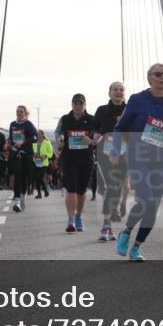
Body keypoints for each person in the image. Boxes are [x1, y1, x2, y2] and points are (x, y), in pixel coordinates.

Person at [111, 64, 163, 261]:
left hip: (161, 159)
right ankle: (127, 232)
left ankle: (136, 247)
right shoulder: (137, 100)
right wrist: (114, 149)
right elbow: (121, 127)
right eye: (158, 74)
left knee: (152, 206)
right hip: (138, 157)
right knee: (145, 200)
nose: (162, 77)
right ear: (149, 79)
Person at [56, 94, 98, 233]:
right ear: (72, 104)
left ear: (85, 104)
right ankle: (70, 220)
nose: (78, 106)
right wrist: (60, 140)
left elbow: (98, 137)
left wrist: (91, 141)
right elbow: (58, 133)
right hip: (69, 157)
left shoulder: (92, 119)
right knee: (71, 188)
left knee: (81, 190)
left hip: (86, 158)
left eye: (80, 103)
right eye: (75, 103)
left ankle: (78, 216)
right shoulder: (65, 119)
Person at [93, 81, 128, 241]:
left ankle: (113, 214)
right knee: (109, 186)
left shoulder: (130, 110)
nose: (118, 92)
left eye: (121, 90)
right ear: (109, 93)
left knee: (117, 187)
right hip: (104, 154)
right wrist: (94, 134)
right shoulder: (101, 110)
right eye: (115, 89)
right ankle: (106, 226)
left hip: (124, 154)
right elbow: (94, 128)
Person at [8, 105, 38, 212]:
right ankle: (16, 201)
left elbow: (35, 137)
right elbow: (11, 138)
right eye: (17, 111)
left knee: (24, 178)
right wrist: (10, 143)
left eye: (21, 111)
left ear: (25, 113)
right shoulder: (13, 124)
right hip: (16, 154)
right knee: (17, 176)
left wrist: (23, 142)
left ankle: (23, 197)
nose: (19, 113)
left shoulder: (28, 125)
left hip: (27, 154)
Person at [32, 130, 54, 199]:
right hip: (36, 163)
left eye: (39, 134)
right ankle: (42, 192)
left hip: (44, 163)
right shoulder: (34, 144)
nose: (38, 135)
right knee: (37, 178)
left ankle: (43, 192)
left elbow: (51, 154)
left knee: (40, 177)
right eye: (37, 134)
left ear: (42, 134)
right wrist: (34, 156)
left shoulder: (47, 143)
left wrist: (45, 155)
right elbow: (33, 153)